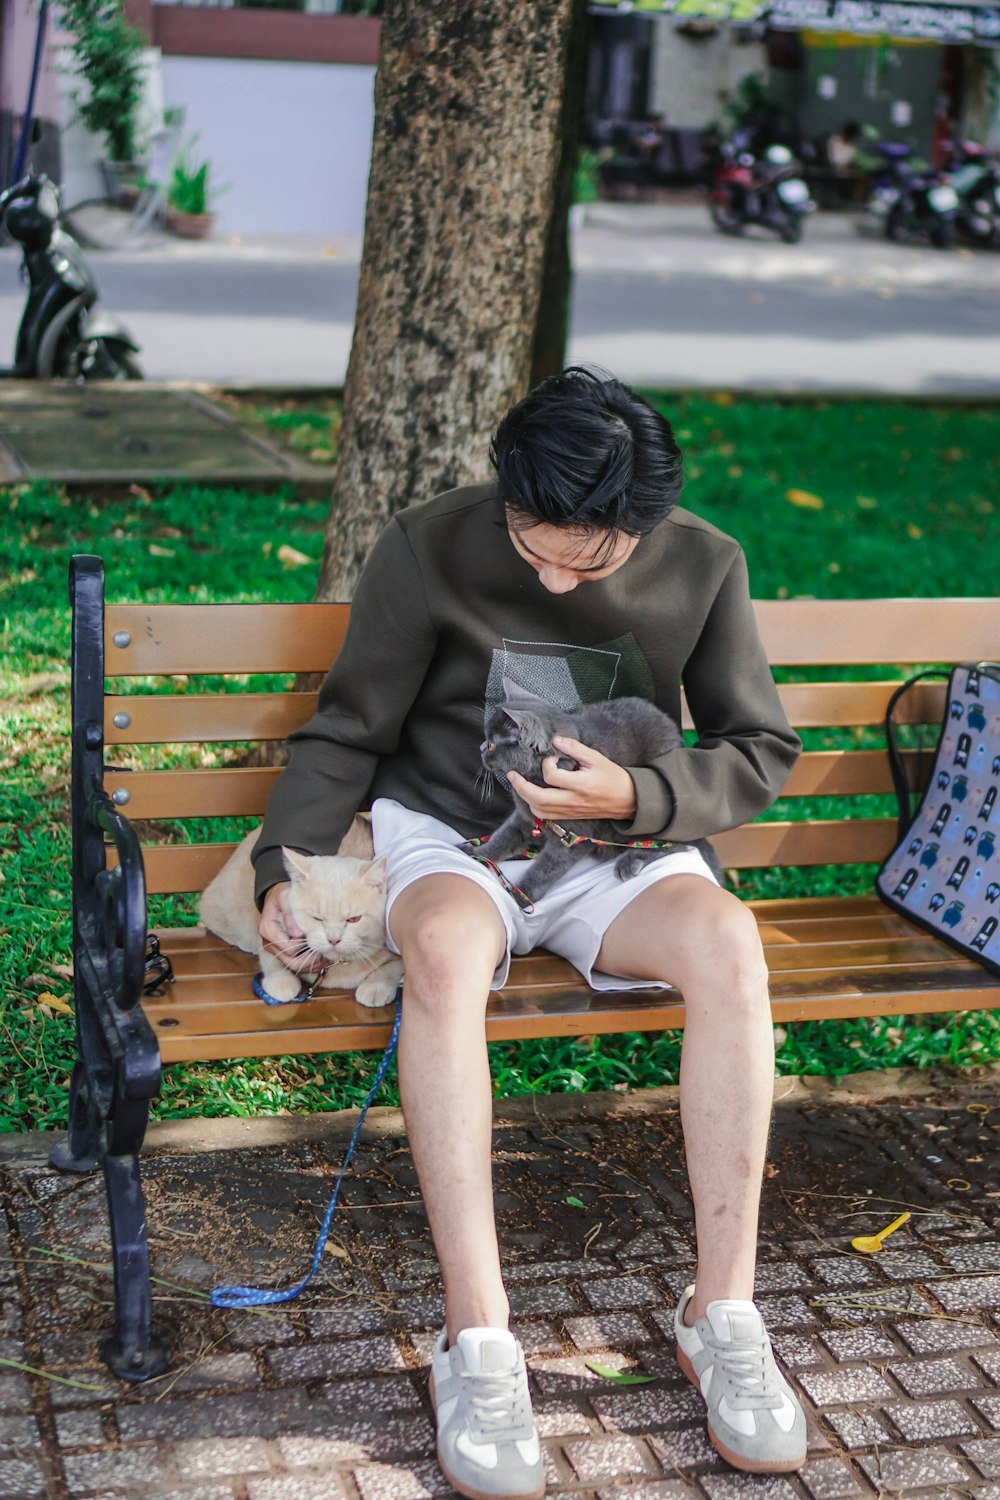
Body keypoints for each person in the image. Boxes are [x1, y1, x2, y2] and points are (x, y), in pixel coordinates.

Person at [254, 369, 807, 1498]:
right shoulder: (429, 544)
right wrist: (281, 866)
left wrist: (638, 800)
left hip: (616, 842)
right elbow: (350, 729)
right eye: (532, 543)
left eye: (587, 559)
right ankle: (481, 1338)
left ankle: (725, 1312)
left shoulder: (704, 561)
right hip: (455, 836)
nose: (553, 572)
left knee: (730, 947)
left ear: (641, 526)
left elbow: (757, 749)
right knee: (448, 954)